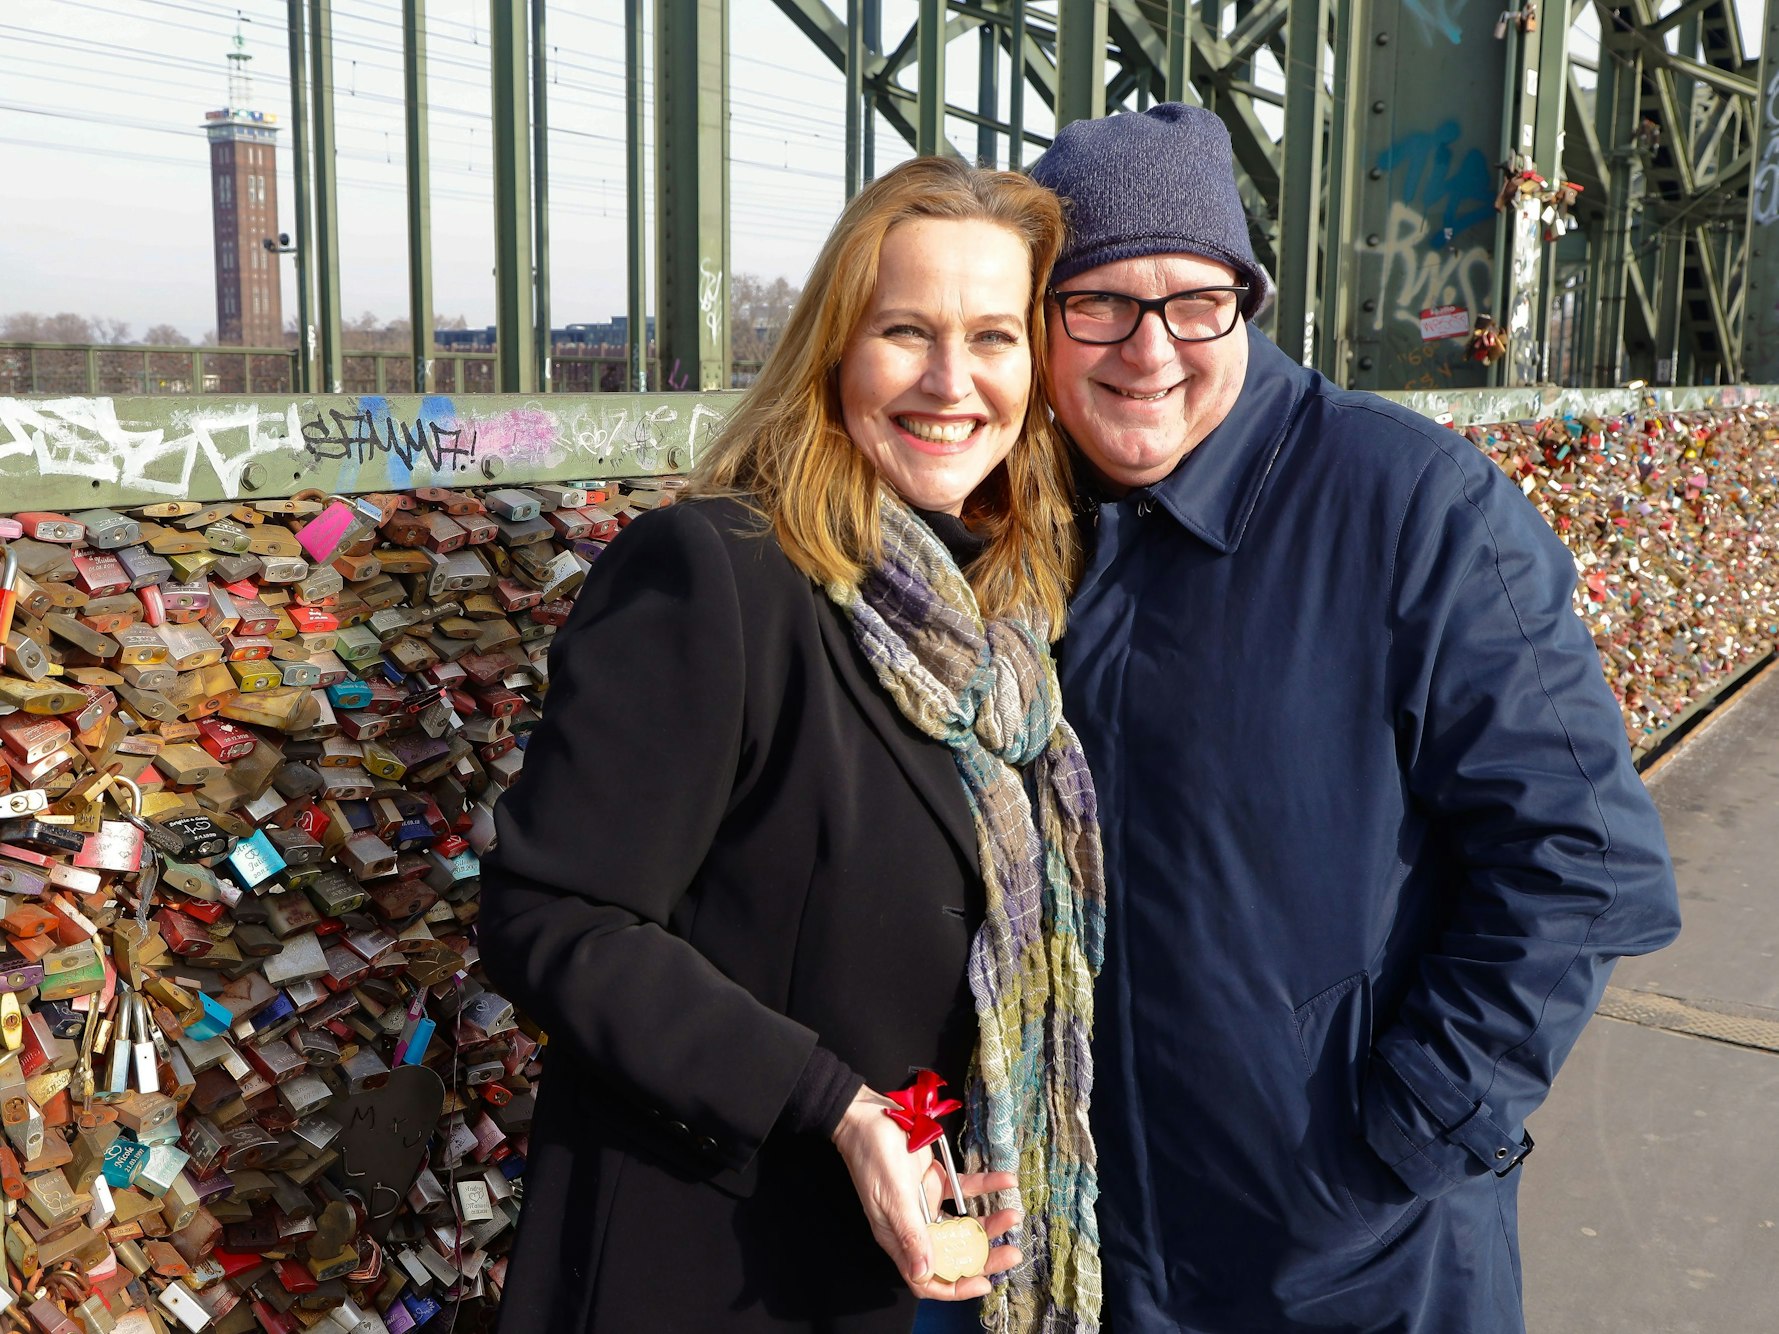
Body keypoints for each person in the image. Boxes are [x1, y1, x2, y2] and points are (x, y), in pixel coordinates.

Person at [1026, 104, 1681, 1333]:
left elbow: (1590, 857)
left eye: (1193, 300)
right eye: (1098, 301)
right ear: (1045, 325)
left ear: (1246, 298)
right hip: (1109, 1261)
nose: (1148, 348)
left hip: (1364, 1267)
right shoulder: (1023, 525)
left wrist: (1407, 1134)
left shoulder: (1414, 505)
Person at [478, 155, 1106, 1334]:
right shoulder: (717, 574)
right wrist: (834, 1105)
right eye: (905, 331)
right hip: (727, 1268)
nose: (950, 380)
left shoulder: (1014, 613)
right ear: (833, 351)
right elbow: (549, 913)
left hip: (958, 1263)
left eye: (992, 337)